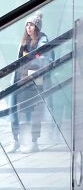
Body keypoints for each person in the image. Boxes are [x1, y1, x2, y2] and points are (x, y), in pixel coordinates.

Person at [10, 12, 54, 153]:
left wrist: (32, 58)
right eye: (27, 25)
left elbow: (45, 58)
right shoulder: (24, 42)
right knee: (14, 108)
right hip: (19, 80)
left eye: (32, 25)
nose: (29, 28)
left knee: (35, 111)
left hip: (35, 81)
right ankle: (15, 140)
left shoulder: (43, 41)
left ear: (37, 27)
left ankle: (34, 142)